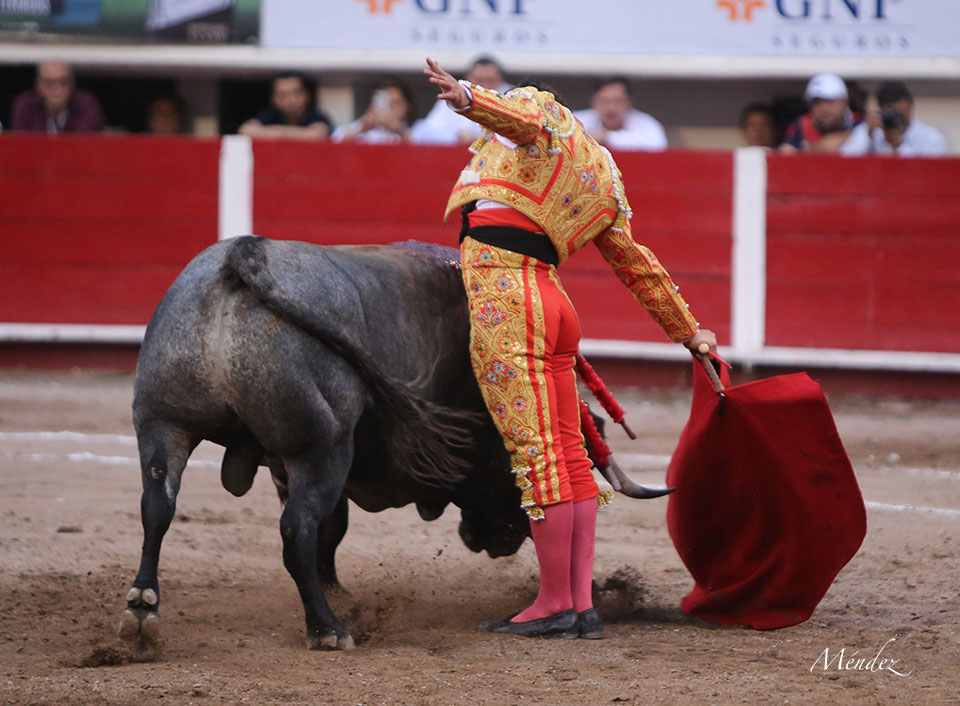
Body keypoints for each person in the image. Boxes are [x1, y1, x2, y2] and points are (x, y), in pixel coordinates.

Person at [423, 57, 716, 639]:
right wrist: (690, 329)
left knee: (538, 456)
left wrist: (466, 98)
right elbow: (637, 264)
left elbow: (521, 121)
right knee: (569, 456)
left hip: (508, 297)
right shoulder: (605, 174)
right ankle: (578, 603)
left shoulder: (543, 115)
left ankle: (555, 602)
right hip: (554, 305)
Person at [411, 56, 511, 145]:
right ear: (469, 79)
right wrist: (456, 136)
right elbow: (423, 133)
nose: (484, 86)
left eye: (490, 80)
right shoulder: (454, 97)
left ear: (500, 80)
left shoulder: (511, 97)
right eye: (479, 80)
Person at [840, 81, 947, 157]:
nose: (897, 119)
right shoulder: (872, 129)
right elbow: (846, 159)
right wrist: (868, 136)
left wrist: (898, 145)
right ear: (881, 110)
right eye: (891, 113)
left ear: (910, 108)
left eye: (901, 113)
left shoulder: (931, 138)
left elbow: (924, 174)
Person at [573, 77, 667, 151]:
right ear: (594, 102)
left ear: (629, 103)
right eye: (604, 101)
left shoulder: (646, 123)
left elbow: (658, 144)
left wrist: (607, 137)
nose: (611, 108)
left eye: (618, 101)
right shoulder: (577, 120)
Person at [10, 61, 105, 133]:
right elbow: (22, 144)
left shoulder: (87, 104)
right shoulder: (25, 105)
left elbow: (84, 143)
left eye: (63, 82)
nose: (57, 89)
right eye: (49, 83)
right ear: (38, 85)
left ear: (72, 84)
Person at [238, 72, 332, 140]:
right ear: (274, 99)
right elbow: (245, 130)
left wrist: (275, 132)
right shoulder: (270, 114)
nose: (291, 100)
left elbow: (318, 135)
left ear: (306, 95)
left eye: (296, 93)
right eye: (283, 95)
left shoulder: (316, 116)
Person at [780, 73, 858, 153]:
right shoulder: (801, 125)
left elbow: (865, 134)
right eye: (817, 103)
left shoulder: (859, 121)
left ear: (845, 102)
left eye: (829, 101)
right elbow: (785, 151)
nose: (824, 108)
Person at [331, 79, 414, 144]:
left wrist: (398, 129)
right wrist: (361, 128)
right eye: (387, 103)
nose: (389, 109)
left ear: (406, 106)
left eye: (395, 103)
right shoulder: (360, 129)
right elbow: (334, 147)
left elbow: (418, 146)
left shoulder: (416, 129)